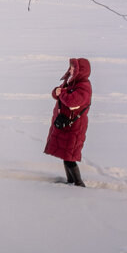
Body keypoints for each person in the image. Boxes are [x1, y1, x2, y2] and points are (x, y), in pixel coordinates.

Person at [44, 57, 92, 187]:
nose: (70, 70)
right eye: (70, 67)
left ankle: (78, 183)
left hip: (74, 127)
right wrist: (56, 91)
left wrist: (62, 93)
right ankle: (70, 181)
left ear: (80, 70)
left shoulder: (84, 86)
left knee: (70, 156)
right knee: (66, 155)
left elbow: (72, 101)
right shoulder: (70, 82)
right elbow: (57, 95)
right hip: (65, 125)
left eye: (73, 68)